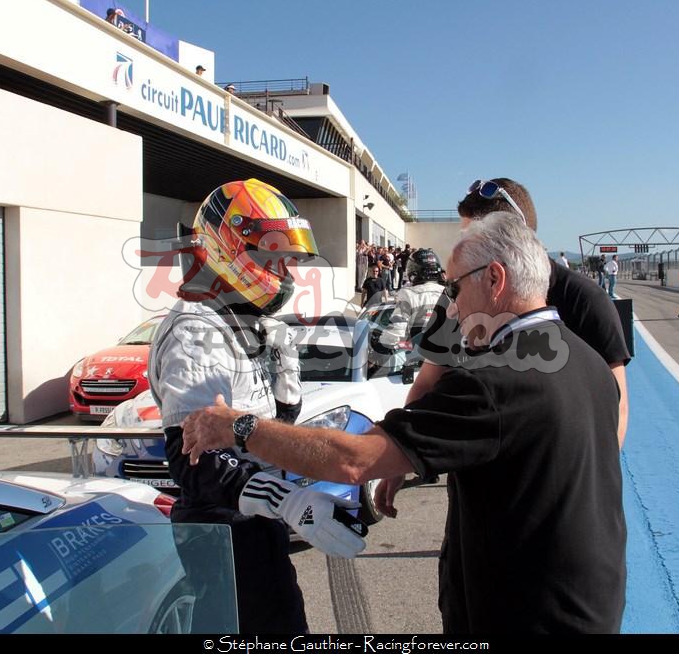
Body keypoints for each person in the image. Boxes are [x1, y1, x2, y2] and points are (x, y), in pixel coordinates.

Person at [181, 212, 628, 633]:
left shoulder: (493, 381)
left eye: (455, 288)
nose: (451, 306)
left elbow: (353, 461)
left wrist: (238, 427)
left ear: (494, 279)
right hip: (590, 599)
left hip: (527, 613)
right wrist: (407, 455)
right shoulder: (583, 357)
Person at [148, 179, 366, 634]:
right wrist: (286, 501)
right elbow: (192, 459)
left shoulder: (244, 323)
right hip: (219, 535)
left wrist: (285, 385)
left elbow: (267, 432)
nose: (286, 268)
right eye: (274, 255)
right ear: (230, 246)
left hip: (256, 525)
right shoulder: (194, 330)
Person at [404, 178, 630, 450]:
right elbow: (427, 382)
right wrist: (400, 449)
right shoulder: (457, 294)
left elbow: (616, 407)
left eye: (473, 238)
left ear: (514, 238)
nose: (462, 247)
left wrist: (594, 483)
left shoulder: (585, 300)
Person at [379, 248, 446, 350]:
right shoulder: (449, 292)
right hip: (451, 355)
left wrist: (383, 343)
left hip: (422, 355)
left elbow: (397, 328)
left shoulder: (408, 293)